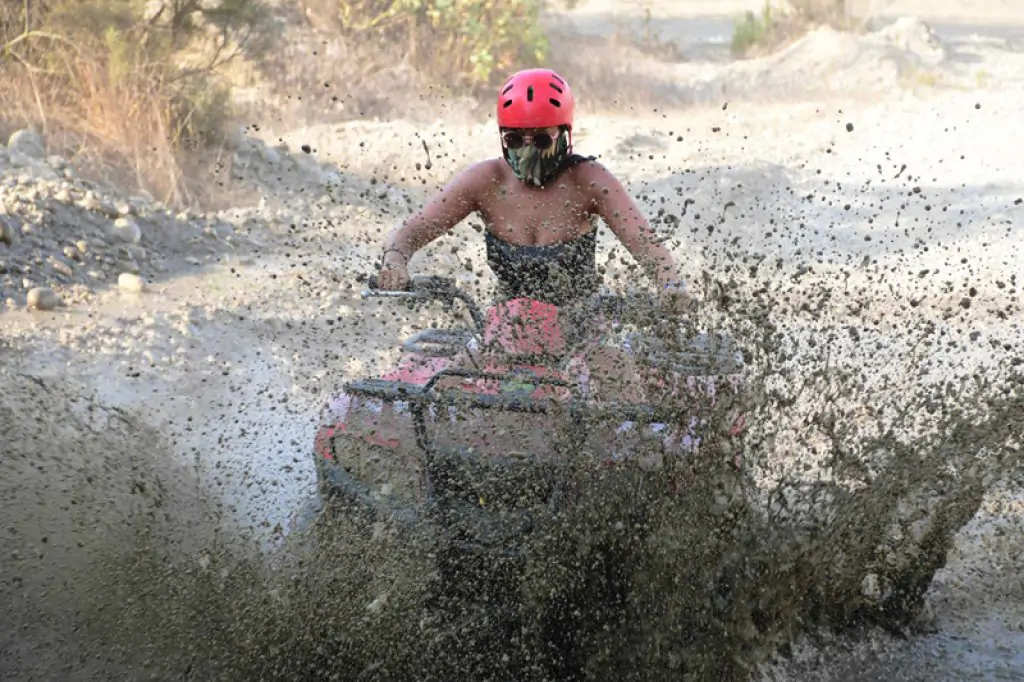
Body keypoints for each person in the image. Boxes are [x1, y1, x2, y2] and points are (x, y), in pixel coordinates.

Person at [376, 67, 691, 397]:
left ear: (565, 135)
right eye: (514, 140)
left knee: (619, 386)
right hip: (504, 328)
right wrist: (395, 262)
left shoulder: (589, 181)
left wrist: (670, 284)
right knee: (445, 388)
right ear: (501, 137)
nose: (527, 151)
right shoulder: (484, 181)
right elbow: (411, 230)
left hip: (581, 328)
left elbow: (644, 242)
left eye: (540, 139)